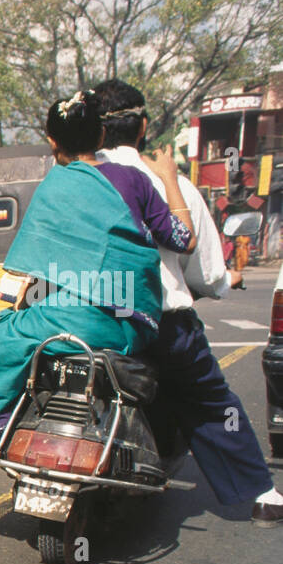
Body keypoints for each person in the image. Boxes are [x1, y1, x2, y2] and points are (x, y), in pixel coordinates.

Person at [0, 89, 194, 464]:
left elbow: (36, 274)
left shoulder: (53, 186)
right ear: (101, 137)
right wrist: (170, 178)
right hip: (129, 321)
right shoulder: (135, 181)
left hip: (65, 320)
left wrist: (18, 306)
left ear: (53, 142)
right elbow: (183, 239)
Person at [95, 80, 281, 524]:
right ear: (142, 127)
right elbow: (204, 269)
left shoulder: (76, 182)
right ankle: (262, 495)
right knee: (210, 403)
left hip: (93, 320)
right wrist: (224, 281)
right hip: (163, 323)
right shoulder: (168, 184)